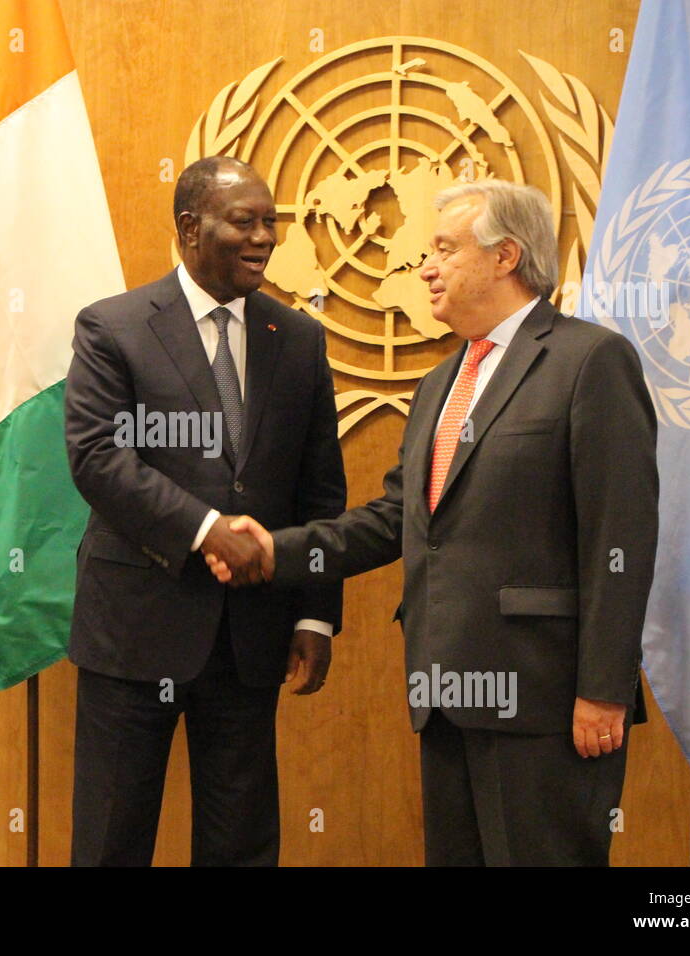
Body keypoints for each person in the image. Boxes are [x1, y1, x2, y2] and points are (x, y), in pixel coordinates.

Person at [208, 180, 658, 866]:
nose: (426, 267)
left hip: (545, 701)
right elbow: (397, 519)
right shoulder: (441, 382)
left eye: (445, 248)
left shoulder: (588, 361)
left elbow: (620, 539)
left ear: (506, 256)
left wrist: (605, 689)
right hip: (444, 694)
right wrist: (278, 550)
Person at [64, 156, 346, 866]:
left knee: (242, 843)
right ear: (190, 228)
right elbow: (99, 457)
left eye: (270, 223)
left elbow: (321, 491)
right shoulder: (114, 328)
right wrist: (205, 530)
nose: (264, 238)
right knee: (111, 841)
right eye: (243, 222)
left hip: (250, 637)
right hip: (134, 631)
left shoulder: (300, 339)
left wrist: (314, 614)